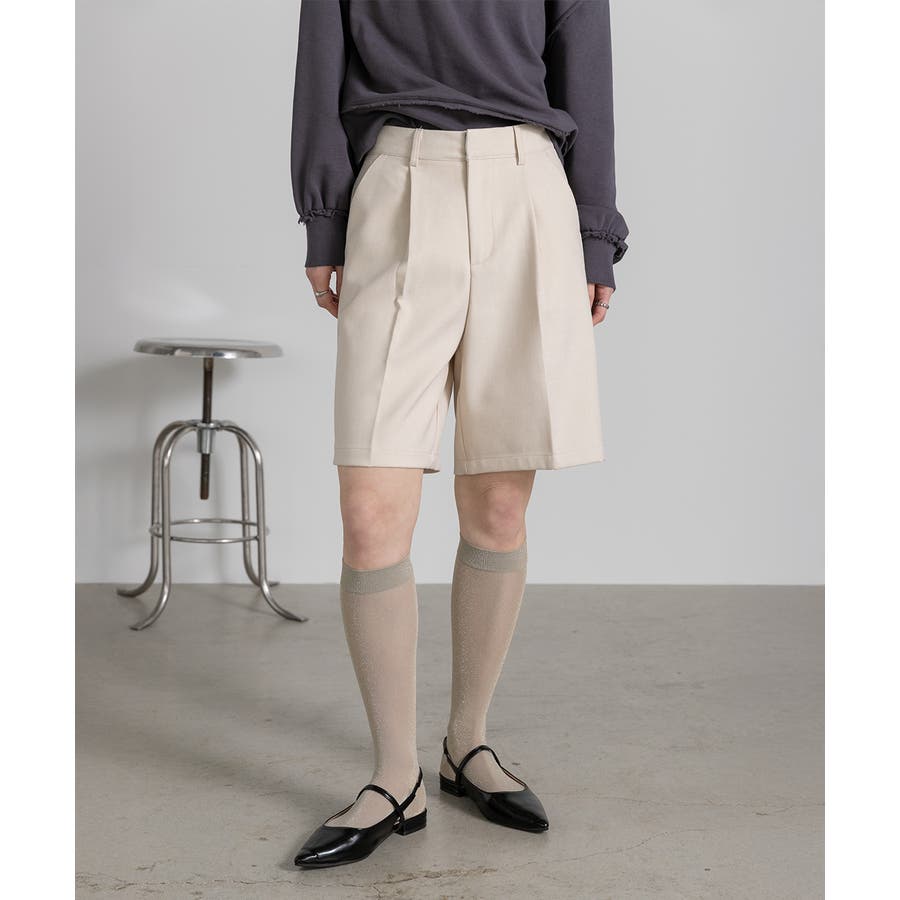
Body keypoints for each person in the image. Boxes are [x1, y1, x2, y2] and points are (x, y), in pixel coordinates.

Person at [289, 0, 628, 869]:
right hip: (397, 180)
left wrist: (594, 232)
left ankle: (465, 742)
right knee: (370, 509)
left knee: (499, 507)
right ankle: (392, 775)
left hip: (527, 186)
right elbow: (320, 58)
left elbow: (584, 65)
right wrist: (324, 218)